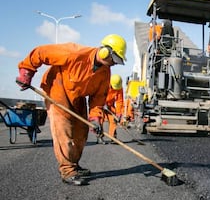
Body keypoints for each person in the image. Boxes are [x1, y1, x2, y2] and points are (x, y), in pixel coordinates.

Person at [16, 34, 127, 185]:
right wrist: (26, 72)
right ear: (105, 51)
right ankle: (67, 170)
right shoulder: (74, 53)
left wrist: (95, 118)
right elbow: (41, 53)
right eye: (115, 59)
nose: (114, 63)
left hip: (77, 97)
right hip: (57, 90)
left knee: (81, 132)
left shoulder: (105, 72)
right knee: (64, 131)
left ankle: (74, 164)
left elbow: (98, 98)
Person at [101, 74, 124, 143]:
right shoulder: (104, 84)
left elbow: (119, 101)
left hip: (110, 105)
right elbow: (99, 95)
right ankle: (100, 137)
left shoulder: (119, 88)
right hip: (100, 104)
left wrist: (119, 113)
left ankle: (113, 137)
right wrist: (103, 103)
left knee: (113, 119)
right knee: (100, 120)